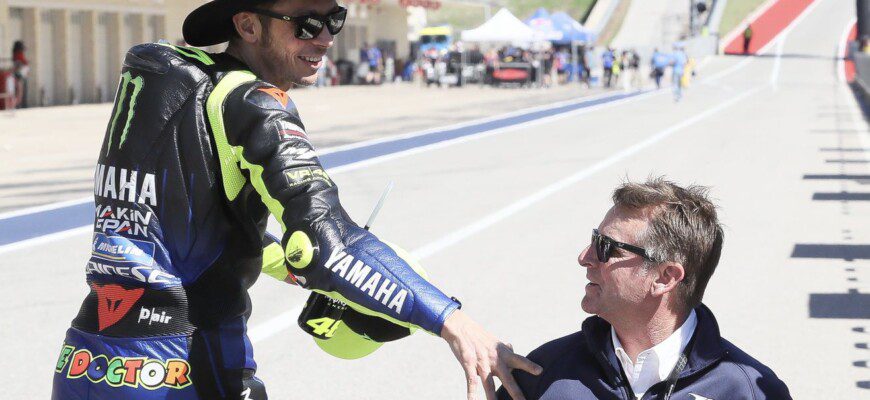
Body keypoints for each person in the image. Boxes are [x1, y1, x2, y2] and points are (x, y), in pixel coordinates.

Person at [50, 1, 541, 399]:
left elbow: (186, 231)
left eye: (334, 19)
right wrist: (453, 321)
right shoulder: (253, 101)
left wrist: (290, 265)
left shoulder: (165, 83)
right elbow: (331, 243)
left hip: (87, 360)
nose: (325, 38)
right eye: (306, 23)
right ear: (246, 24)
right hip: (188, 367)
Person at [497, 178, 791, 399]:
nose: (585, 257)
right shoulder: (544, 372)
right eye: (594, 239)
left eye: (605, 247)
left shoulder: (747, 390)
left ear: (665, 277)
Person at [12, 40, 28, 108]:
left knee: (19, 90)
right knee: (19, 90)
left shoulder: (17, 53)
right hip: (19, 74)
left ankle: (19, 104)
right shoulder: (17, 54)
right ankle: (18, 104)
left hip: (21, 73)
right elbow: (18, 64)